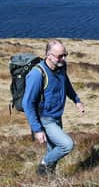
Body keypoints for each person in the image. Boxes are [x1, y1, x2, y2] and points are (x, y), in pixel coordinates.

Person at [22, 39, 85, 176]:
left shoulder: (61, 66)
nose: (63, 58)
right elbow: (27, 103)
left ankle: (48, 178)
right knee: (67, 145)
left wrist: (76, 100)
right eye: (60, 56)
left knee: (54, 149)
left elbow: (66, 84)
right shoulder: (37, 74)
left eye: (65, 55)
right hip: (45, 119)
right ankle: (43, 165)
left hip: (57, 116)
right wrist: (37, 129)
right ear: (48, 55)